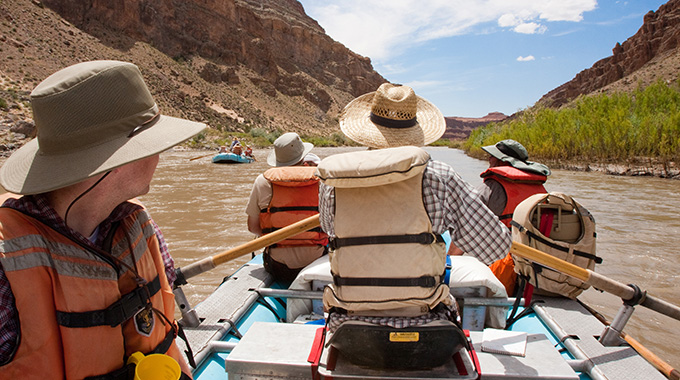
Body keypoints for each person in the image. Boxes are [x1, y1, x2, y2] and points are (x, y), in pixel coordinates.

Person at [0, 61, 206, 379]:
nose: (160, 156)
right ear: (119, 160)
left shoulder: (139, 224)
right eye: (154, 145)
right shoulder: (5, 265)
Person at [316, 83, 511, 332]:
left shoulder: (332, 181)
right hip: (426, 321)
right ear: (415, 131)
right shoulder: (440, 176)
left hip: (349, 322)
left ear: (368, 129)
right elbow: (495, 247)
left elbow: (327, 228)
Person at [245, 133, 328, 282]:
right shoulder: (322, 179)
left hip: (278, 266)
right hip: (316, 261)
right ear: (303, 156)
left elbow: (253, 227)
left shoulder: (263, 181)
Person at [477, 139, 551, 295]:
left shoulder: (491, 187)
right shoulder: (539, 187)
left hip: (503, 266)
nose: (489, 159)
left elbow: (467, 226)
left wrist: (449, 262)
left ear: (502, 161)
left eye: (493, 157)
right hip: (536, 265)